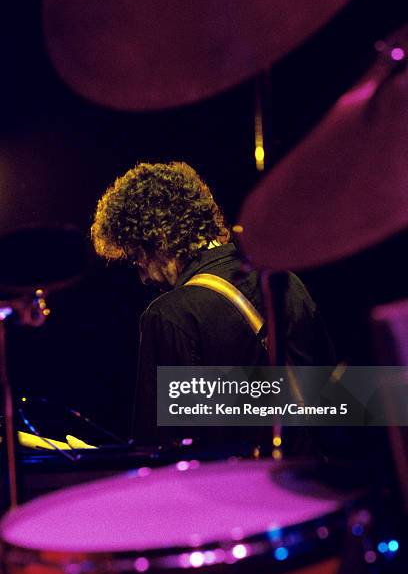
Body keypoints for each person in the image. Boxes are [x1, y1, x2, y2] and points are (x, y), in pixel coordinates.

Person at [91, 162, 334, 447]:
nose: (143, 277)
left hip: (228, 488)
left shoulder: (169, 315)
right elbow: (336, 400)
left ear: (159, 237)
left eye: (137, 259)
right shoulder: (284, 281)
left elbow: (161, 452)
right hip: (313, 481)